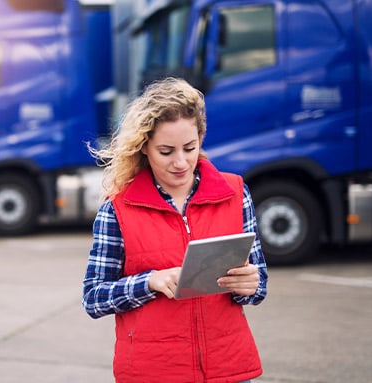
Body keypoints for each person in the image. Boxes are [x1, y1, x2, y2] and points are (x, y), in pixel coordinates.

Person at [82, 77, 268, 383]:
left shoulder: (236, 193)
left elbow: (258, 286)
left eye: (190, 148)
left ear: (200, 139)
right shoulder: (117, 209)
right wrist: (150, 281)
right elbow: (93, 297)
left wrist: (251, 284)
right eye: (166, 151)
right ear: (145, 148)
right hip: (154, 372)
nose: (181, 162)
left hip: (228, 369)